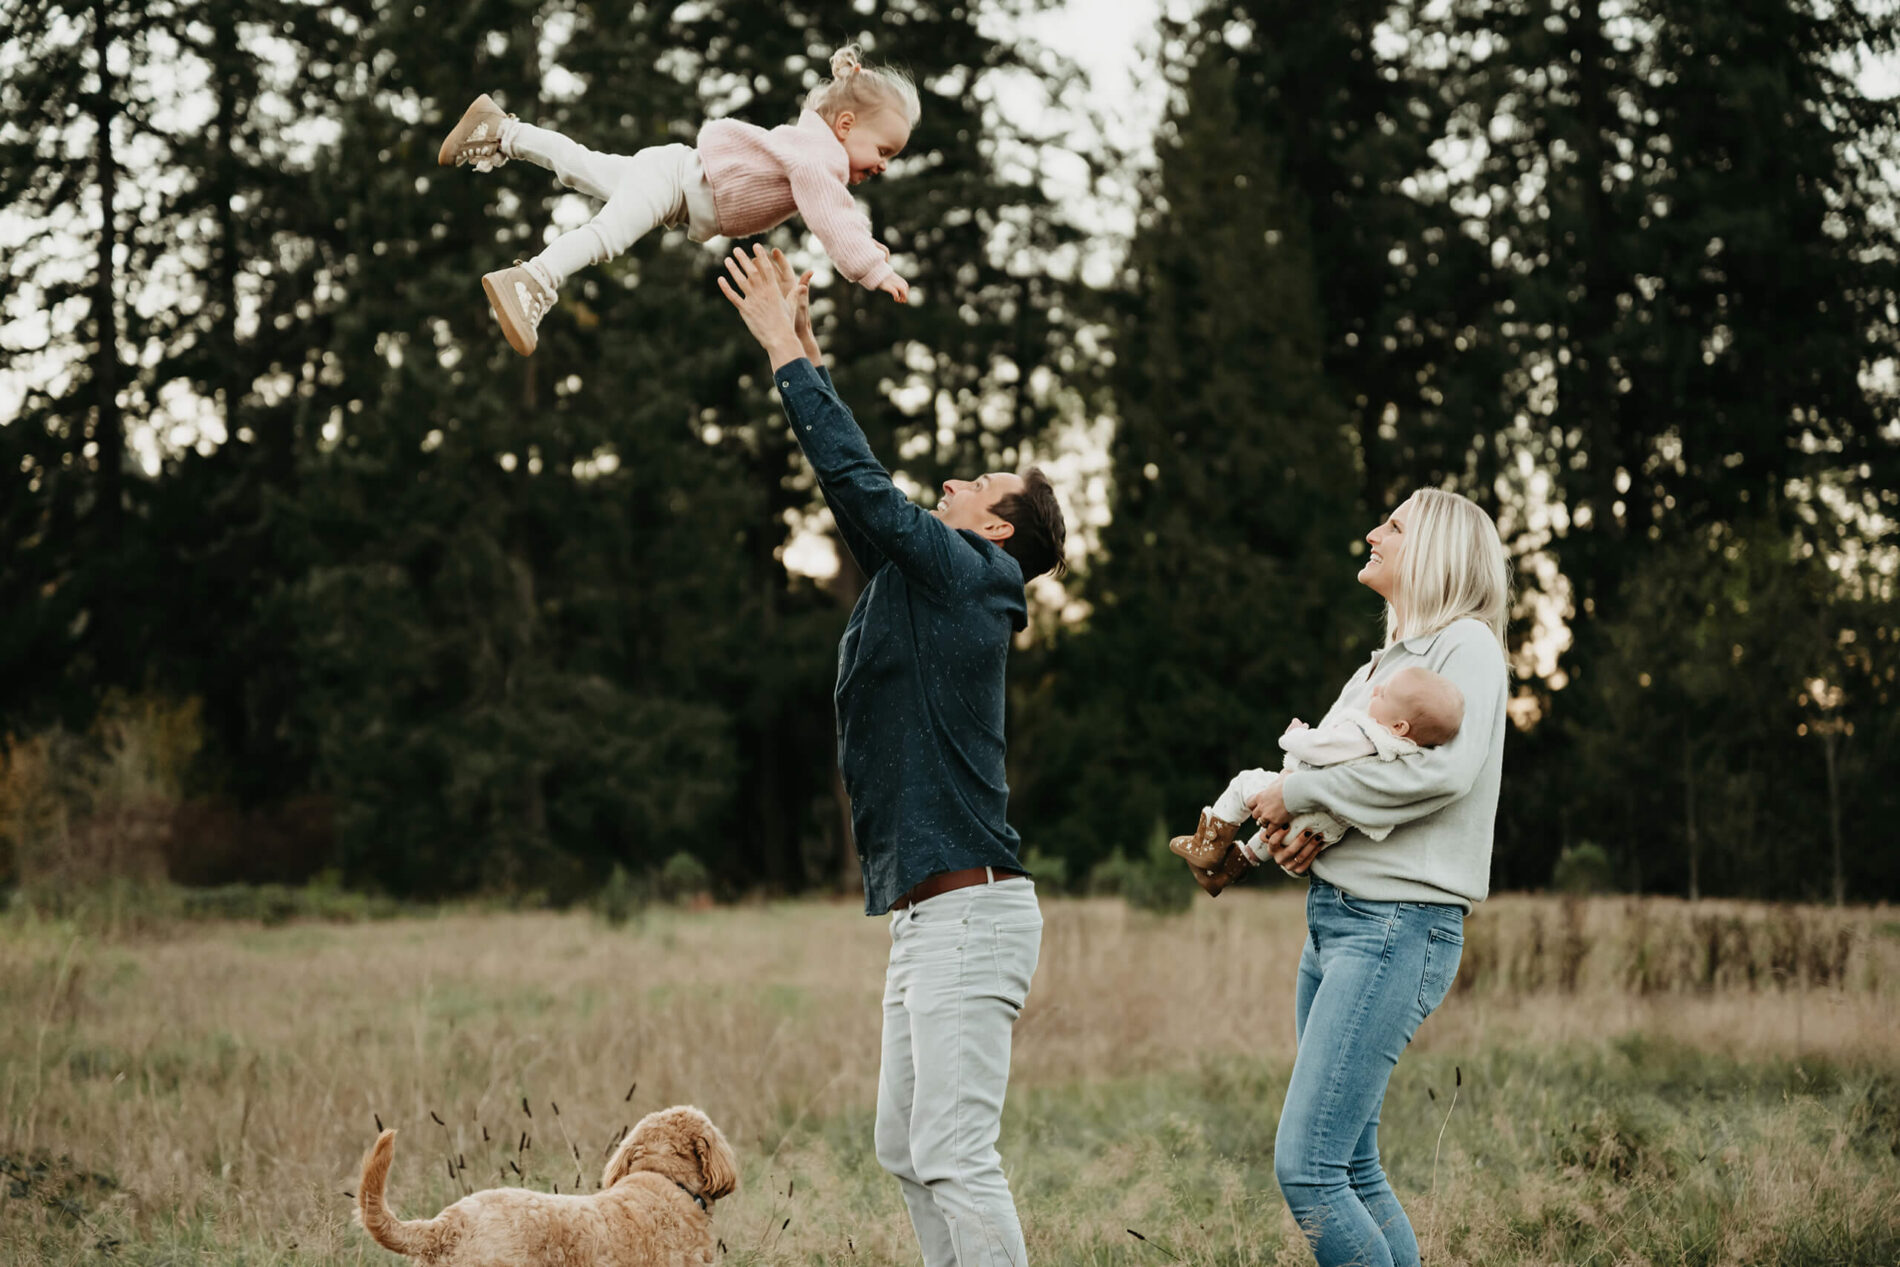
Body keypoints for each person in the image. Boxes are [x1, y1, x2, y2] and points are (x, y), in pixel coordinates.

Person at [719, 243, 1067, 1267]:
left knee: (953, 1152)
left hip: (970, 909)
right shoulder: (930, 585)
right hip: (927, 915)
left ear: (997, 529)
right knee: (904, 1150)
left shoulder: (970, 578)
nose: (950, 481)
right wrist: (809, 360)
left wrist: (783, 351)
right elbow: (858, 498)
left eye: (973, 483)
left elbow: (867, 492)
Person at [1247, 489, 1510, 1267]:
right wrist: (1308, 836)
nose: (1371, 533)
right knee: (1351, 1164)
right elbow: (1337, 771)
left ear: (1436, 550)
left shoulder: (1468, 646)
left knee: (1309, 1170)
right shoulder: (1388, 661)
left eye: (1392, 526)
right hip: (1337, 918)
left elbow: (1447, 775)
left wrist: (1302, 795)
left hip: (1396, 924)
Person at [439, 46, 915, 356]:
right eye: (883, 151)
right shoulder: (820, 157)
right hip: (674, 183)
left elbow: (831, 207)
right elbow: (833, 215)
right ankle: (532, 279)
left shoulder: (811, 146)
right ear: (846, 125)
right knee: (608, 236)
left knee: (580, 165)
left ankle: (500, 131)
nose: (884, 166)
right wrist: (872, 267)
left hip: (675, 178)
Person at [1168, 666, 1466, 896]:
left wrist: (1295, 735)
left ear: (1399, 725)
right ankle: (1232, 868)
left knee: (1245, 782)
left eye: (1384, 695)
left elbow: (1320, 748)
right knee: (1271, 835)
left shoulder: (1365, 736)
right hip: (1322, 831)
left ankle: (1209, 846)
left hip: (1303, 809)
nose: (1375, 691)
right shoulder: (1402, 753)